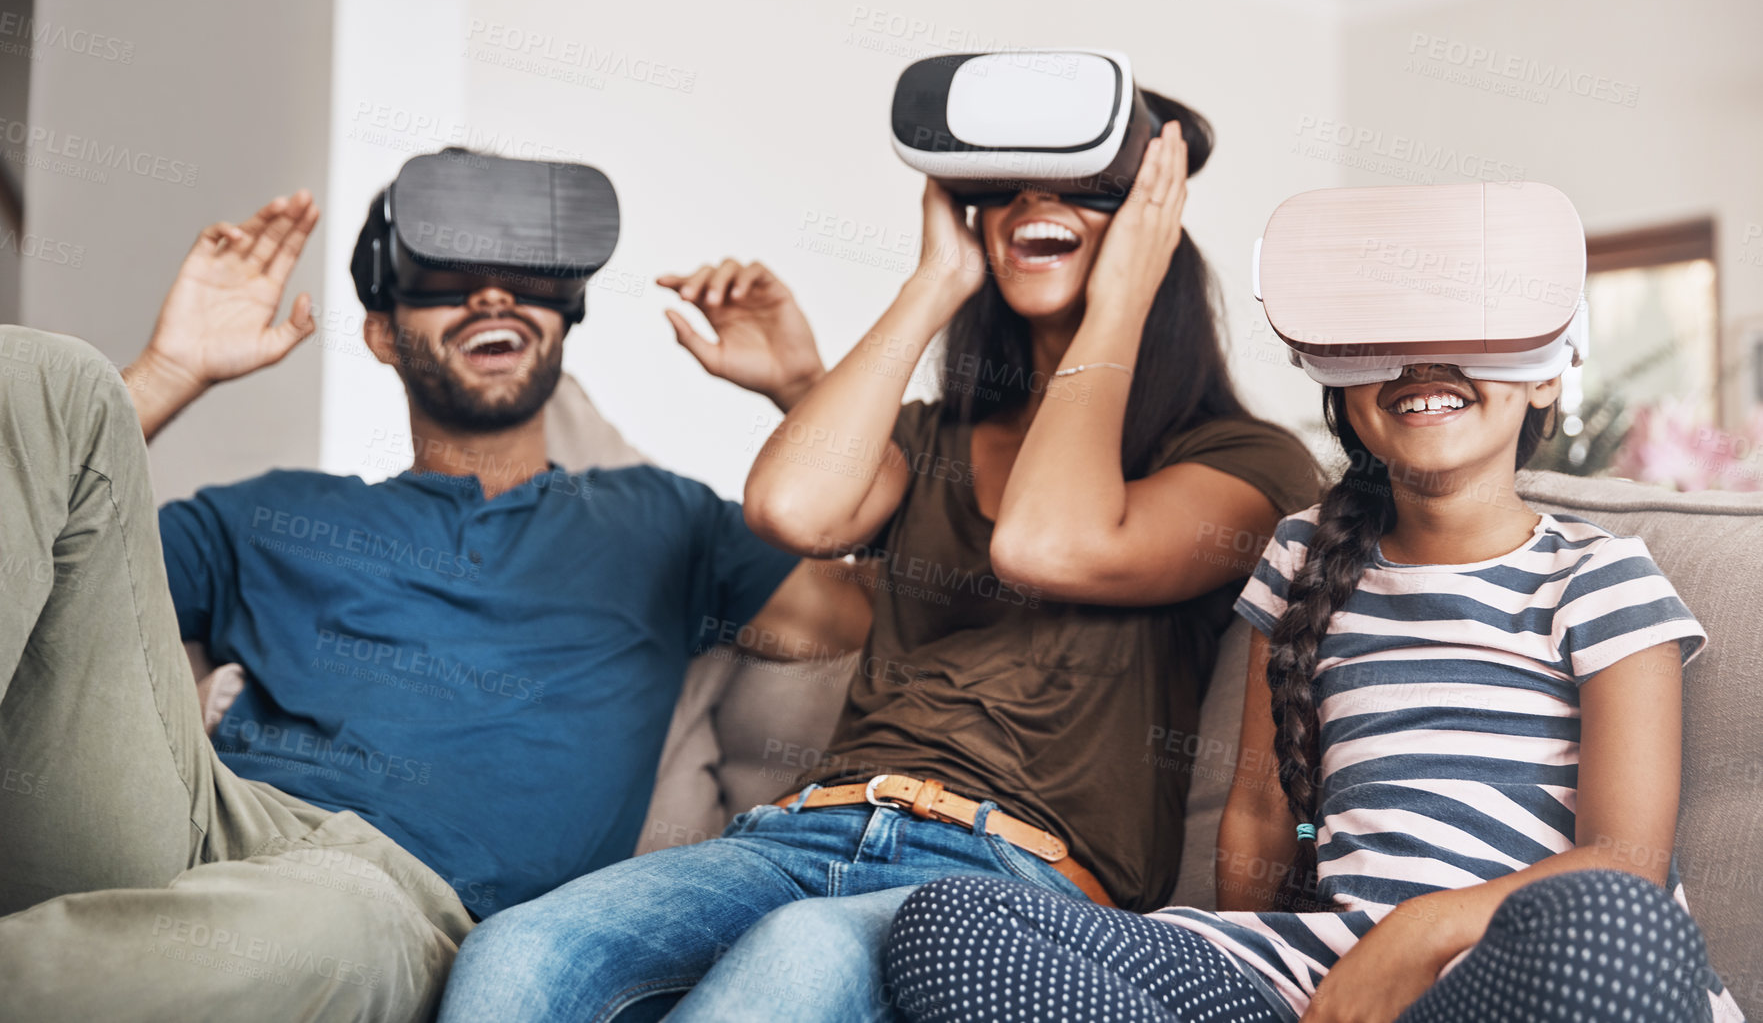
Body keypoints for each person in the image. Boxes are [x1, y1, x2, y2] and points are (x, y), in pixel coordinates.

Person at [439, 106, 1320, 1022]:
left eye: (1080, 189)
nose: (1031, 203)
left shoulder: (1244, 463)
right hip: (796, 830)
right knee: (518, 950)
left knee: (802, 953)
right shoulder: (930, 441)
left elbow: (1047, 541)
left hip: (1011, 874)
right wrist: (935, 277)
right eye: (1004, 189)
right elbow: (792, 507)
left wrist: (1123, 300)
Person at [0, 170, 866, 1022]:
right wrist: (169, 368)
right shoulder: (272, 513)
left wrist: (802, 388)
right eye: (447, 281)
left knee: (330, 914)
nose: (492, 296)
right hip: (204, 823)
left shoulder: (663, 522)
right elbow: (71, 567)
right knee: (46, 374)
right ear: (382, 333)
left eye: (528, 278)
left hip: (404, 910)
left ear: (565, 319)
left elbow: (849, 622)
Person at [882, 300, 1748, 1016]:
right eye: (1388, 339)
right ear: (1340, 381)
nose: (1422, 361)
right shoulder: (1302, 559)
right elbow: (1268, 813)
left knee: (1619, 924)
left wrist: (1415, 934)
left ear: (1549, 374)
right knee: (955, 919)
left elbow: (1624, 855)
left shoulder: (1598, 575)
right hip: (1320, 971)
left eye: (1471, 331)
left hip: (1519, 959)